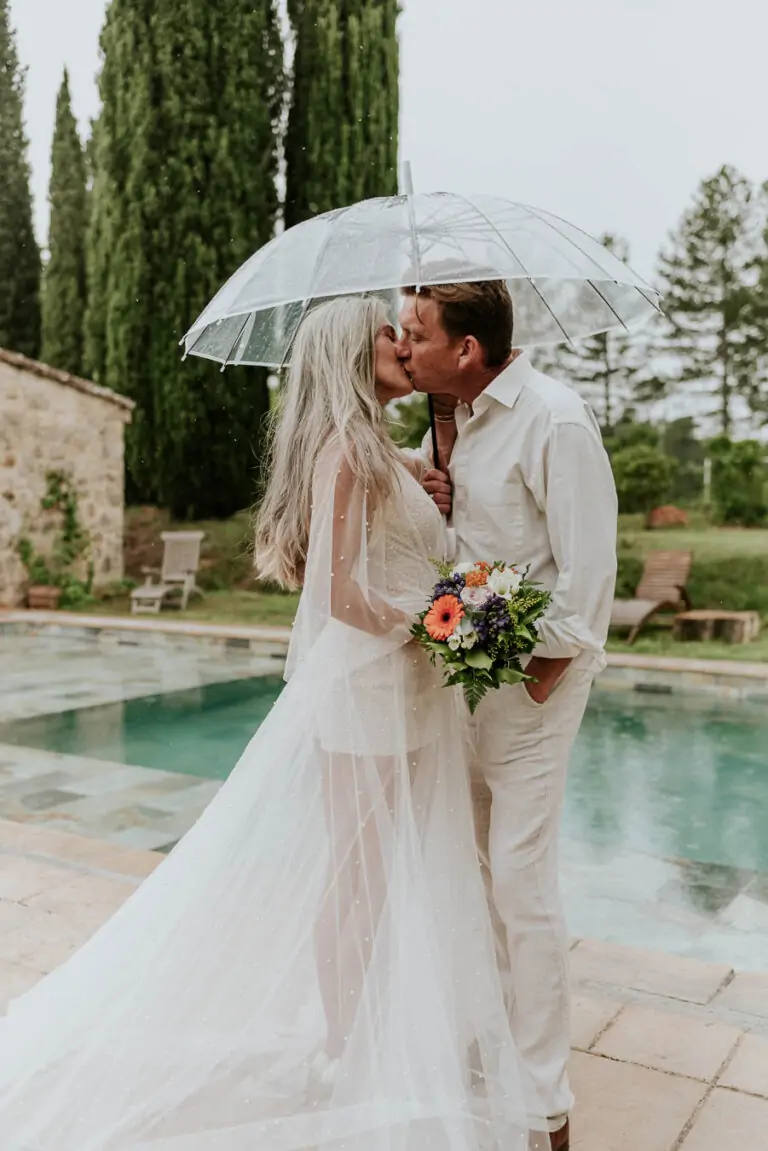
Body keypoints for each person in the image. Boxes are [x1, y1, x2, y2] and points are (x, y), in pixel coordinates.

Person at [0, 296, 546, 1150]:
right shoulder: (347, 449)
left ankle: (388, 1027)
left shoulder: (375, 448)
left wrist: (423, 480)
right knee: (360, 874)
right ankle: (344, 1048)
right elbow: (334, 591)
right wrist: (433, 625)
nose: (404, 344)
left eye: (407, 333)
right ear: (350, 352)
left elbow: (392, 545)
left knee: (397, 864)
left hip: (405, 684)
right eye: (389, 334)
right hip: (368, 687)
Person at [397, 280, 618, 1151]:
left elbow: (587, 581)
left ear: (467, 349)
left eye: (417, 333)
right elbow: (467, 558)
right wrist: (438, 498)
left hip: (532, 687)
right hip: (464, 685)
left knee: (522, 885)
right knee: (476, 873)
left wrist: (532, 675)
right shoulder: (447, 424)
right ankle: (496, 1048)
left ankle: (545, 1106)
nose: (403, 347)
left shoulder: (555, 421)